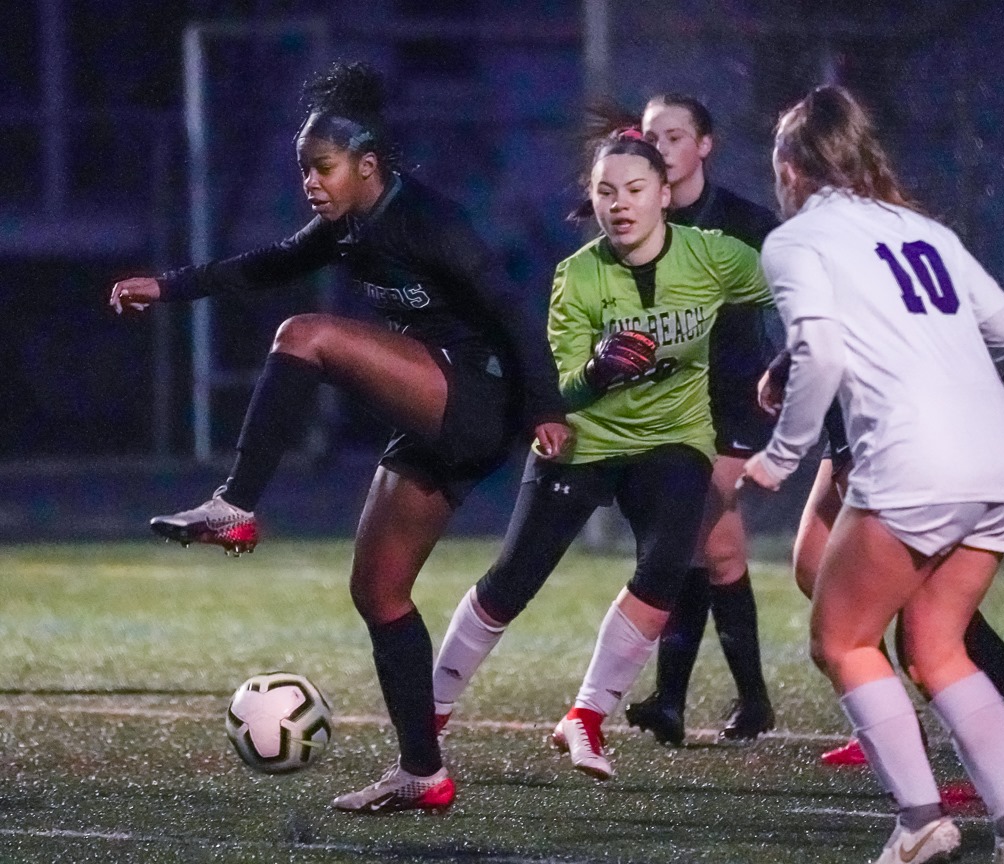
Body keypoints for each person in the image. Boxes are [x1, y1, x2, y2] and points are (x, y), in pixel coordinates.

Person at [109, 61, 572, 814]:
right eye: (303, 170)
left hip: (479, 396)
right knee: (379, 592)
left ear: (367, 165)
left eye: (321, 168)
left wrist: (545, 410)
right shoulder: (346, 227)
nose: (310, 183)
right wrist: (167, 286)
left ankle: (236, 503)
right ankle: (422, 773)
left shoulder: (428, 219)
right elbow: (263, 265)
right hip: (437, 411)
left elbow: (513, 311)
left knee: (306, 335)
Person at [741, 86, 1004, 863]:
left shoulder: (796, 240)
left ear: (791, 167)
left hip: (916, 458)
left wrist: (781, 454)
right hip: (999, 459)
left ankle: (920, 821)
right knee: (936, 647)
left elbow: (822, 353)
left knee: (842, 639)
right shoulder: (924, 229)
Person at [430, 129, 773, 780]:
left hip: (673, 439)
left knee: (665, 569)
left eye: (635, 189)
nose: (620, 204)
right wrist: (595, 371)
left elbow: (794, 283)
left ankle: (585, 717)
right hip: (586, 439)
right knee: (512, 581)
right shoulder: (580, 274)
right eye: (606, 191)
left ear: (665, 195)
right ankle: (431, 710)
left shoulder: (714, 255)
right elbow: (559, 388)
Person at [762, 354, 1004, 769]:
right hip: (853, 395)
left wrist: (783, 368)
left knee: (917, 623)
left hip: (889, 399)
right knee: (815, 564)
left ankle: (988, 751)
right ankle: (900, 718)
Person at [622, 93, 780, 745]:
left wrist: (789, 374)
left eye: (675, 136)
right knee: (705, 547)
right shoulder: (637, 217)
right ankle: (720, 701)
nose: (661, 147)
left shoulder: (746, 221)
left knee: (703, 540)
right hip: (673, 402)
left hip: (736, 400)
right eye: (652, 135)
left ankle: (690, 700)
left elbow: (790, 304)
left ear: (704, 145)